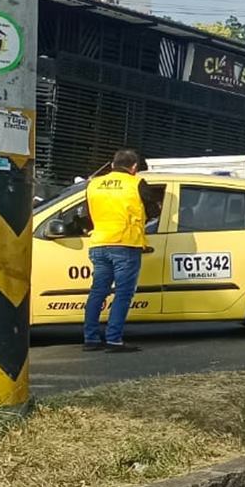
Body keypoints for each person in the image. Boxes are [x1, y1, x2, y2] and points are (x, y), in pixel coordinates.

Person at [82, 149, 158, 354]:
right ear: (134, 167)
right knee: (123, 293)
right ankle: (114, 339)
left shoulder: (94, 184)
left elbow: (86, 213)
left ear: (112, 164)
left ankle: (90, 339)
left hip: (99, 243)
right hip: (126, 243)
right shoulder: (136, 183)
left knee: (98, 292)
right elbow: (154, 211)